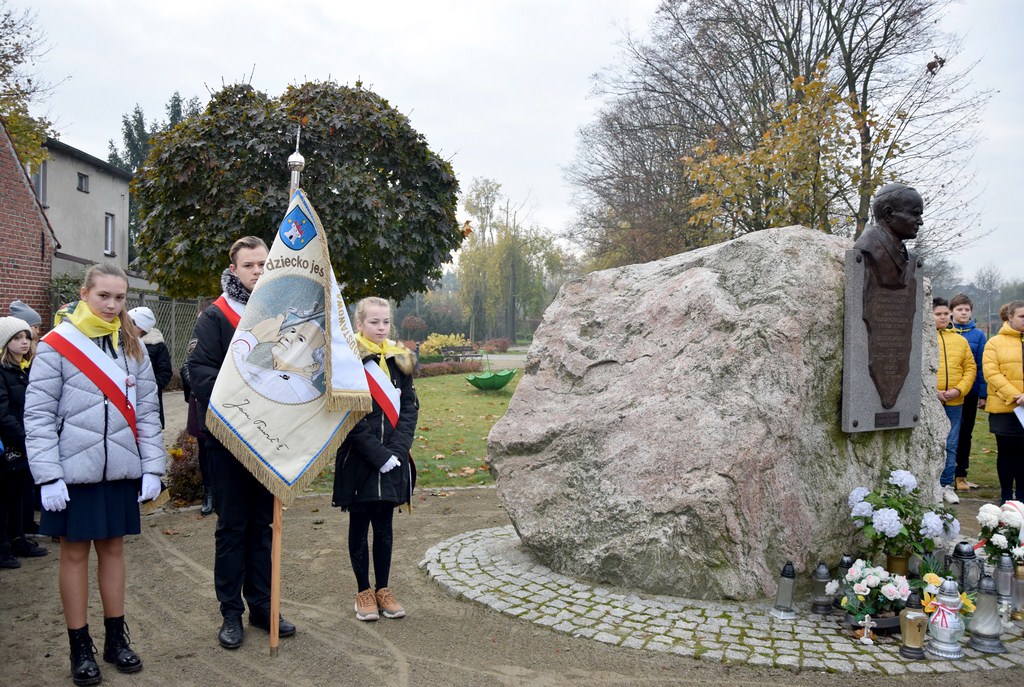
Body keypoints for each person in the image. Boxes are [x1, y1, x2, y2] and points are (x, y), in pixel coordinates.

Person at [24, 263, 165, 686]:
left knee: (114, 550)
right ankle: (79, 646)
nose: (112, 304)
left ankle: (115, 639)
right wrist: (48, 475)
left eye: (120, 298)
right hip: (73, 471)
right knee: (73, 554)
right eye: (104, 295)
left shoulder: (131, 347)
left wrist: (152, 467)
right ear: (84, 294)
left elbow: (148, 412)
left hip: (120, 469)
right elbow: (39, 415)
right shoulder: (55, 345)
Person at [185, 236, 296, 649]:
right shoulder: (215, 316)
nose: (257, 271)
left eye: (264, 264)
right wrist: (251, 399)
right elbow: (199, 373)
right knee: (232, 529)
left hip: (268, 441)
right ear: (234, 270)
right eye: (249, 265)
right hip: (228, 440)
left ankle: (263, 607)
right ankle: (230, 613)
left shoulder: (282, 312)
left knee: (263, 528)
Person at [333, 297, 417, 621]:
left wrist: (395, 452)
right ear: (359, 324)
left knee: (384, 525)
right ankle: (363, 592)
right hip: (359, 459)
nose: (381, 328)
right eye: (374, 322)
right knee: (360, 524)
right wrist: (378, 454)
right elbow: (347, 415)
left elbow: (409, 408)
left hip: (392, 459)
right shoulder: (348, 360)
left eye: (385, 322)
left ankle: (383, 589)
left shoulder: (400, 360)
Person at [0, 317, 48, 568]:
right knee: (5, 497)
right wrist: (25, 437)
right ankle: (3, 546)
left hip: (25, 444)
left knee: (21, 494)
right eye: (16, 338)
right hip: (10, 446)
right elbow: (3, 414)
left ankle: (18, 539)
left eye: (26, 338)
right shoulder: (3, 372)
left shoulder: (26, 370)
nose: (23, 342)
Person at [933, 298, 976, 505]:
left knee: (950, 443)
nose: (942, 317)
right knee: (931, 443)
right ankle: (928, 484)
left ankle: (946, 485)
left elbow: (970, 368)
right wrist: (934, 392)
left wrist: (959, 390)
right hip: (931, 403)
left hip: (954, 402)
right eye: (937, 314)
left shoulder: (960, 340)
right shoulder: (924, 338)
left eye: (944, 313)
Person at [982, 300, 1024, 504]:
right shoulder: (994, 343)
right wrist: (1017, 396)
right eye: (1022, 317)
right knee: (1007, 453)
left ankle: (1022, 497)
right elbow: (992, 373)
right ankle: (1006, 495)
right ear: (1010, 317)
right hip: (1005, 407)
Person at [948, 293, 988, 492]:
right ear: (952, 311)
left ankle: (960, 474)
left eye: (967, 310)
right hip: (946, 390)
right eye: (959, 309)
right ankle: (943, 473)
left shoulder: (978, 335)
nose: (964, 313)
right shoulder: (944, 331)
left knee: (965, 434)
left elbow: (981, 366)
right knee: (946, 433)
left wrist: (983, 394)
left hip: (969, 393)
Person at [127, 307, 173, 429]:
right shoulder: (123, 343)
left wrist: (149, 387)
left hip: (148, 398)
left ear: (141, 327)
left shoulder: (157, 346)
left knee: (147, 428)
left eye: (130, 322)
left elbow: (165, 372)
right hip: (127, 395)